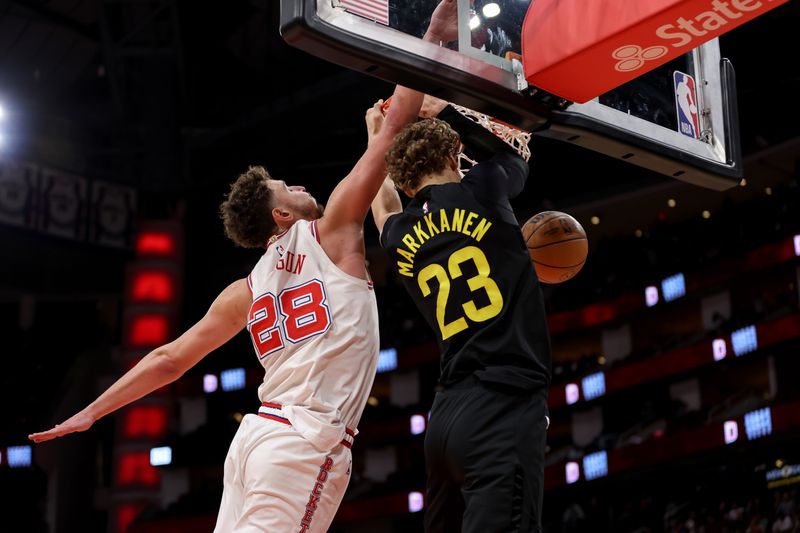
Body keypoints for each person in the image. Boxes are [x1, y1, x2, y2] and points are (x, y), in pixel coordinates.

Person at [28, 3, 457, 530]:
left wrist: (94, 411)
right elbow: (392, 136)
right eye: (288, 187)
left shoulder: (245, 290)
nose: (300, 185)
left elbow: (169, 359)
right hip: (303, 442)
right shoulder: (335, 229)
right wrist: (430, 40)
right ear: (280, 215)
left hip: (254, 442)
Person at [370, 106, 551, 532]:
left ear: (405, 180)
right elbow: (514, 154)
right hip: (503, 404)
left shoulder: (399, 234)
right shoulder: (484, 189)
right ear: (455, 156)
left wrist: (378, 137)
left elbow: (381, 206)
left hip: (446, 420)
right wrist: (445, 109)